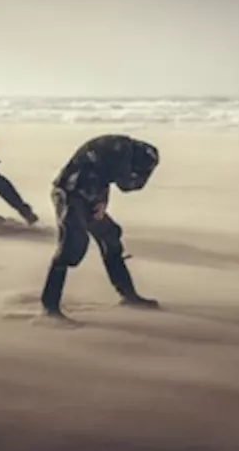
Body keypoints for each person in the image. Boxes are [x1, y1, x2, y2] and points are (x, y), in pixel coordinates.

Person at [40, 134, 161, 319]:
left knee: (111, 236)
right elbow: (125, 184)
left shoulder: (122, 148)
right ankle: (50, 307)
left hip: (88, 196)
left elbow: (103, 176)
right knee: (73, 245)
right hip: (69, 194)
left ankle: (128, 295)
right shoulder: (122, 150)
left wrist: (102, 202)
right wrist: (138, 180)